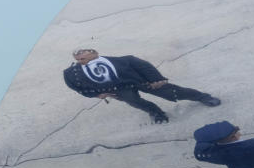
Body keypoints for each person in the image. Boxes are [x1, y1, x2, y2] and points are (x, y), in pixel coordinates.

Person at [63, 48, 220, 124]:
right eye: (79, 59)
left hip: (139, 80)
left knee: (172, 92)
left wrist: (157, 79)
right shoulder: (71, 73)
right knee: (135, 102)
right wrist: (96, 95)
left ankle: (202, 97)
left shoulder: (125, 60)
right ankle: (156, 113)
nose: (81, 60)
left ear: (94, 53)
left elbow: (145, 67)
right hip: (118, 89)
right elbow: (76, 86)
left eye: (84, 57)